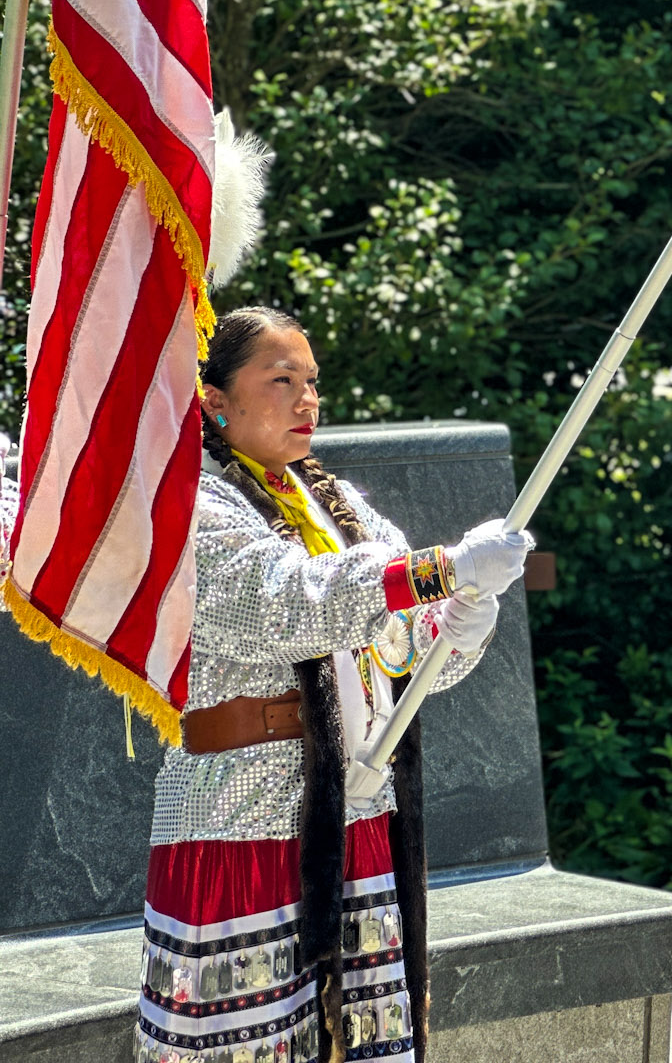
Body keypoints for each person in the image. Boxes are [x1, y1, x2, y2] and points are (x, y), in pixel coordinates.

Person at [134, 307, 531, 1063]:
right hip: (237, 820)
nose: (307, 400)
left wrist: (459, 616)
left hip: (356, 809)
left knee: (363, 1040)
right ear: (215, 400)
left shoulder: (338, 505)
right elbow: (283, 600)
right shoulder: (191, 504)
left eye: (312, 382)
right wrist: (440, 569)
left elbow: (402, 648)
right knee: (239, 1041)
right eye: (281, 380)